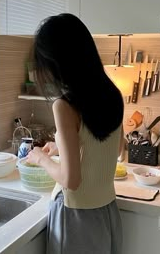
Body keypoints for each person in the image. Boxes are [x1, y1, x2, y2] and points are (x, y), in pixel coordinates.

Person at [26, 13, 124, 254]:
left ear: (57, 61)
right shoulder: (112, 94)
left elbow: (71, 180)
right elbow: (116, 149)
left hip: (76, 218)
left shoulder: (63, 106)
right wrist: (61, 146)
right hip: (106, 213)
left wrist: (41, 158)